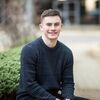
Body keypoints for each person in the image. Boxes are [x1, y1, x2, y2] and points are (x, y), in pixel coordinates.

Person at [16, 9, 89, 100]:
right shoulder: (29, 50)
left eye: (56, 24)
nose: (53, 28)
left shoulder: (66, 52)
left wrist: (68, 98)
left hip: (54, 96)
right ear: (41, 27)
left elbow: (68, 83)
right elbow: (29, 84)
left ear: (61, 26)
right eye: (49, 24)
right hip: (29, 97)